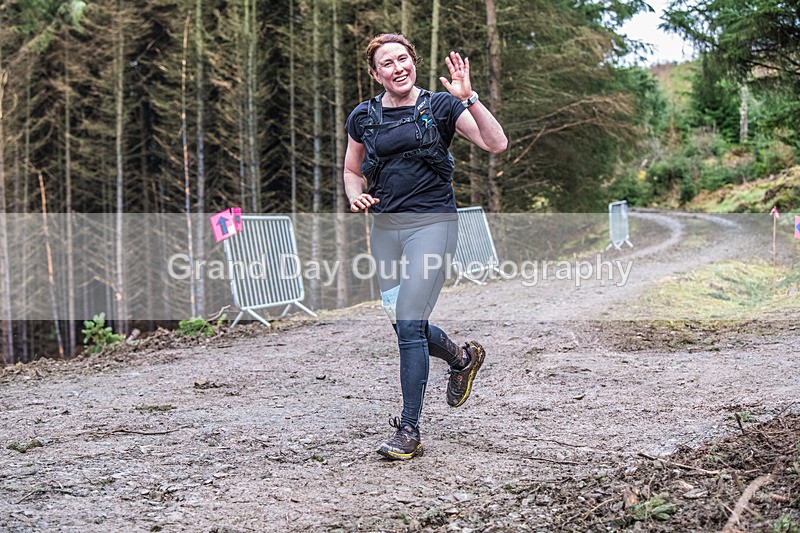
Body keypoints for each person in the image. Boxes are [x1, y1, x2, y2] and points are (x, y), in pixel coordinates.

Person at [343, 33, 507, 460]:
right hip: (385, 232)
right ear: (375, 73)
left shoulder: (440, 106)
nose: (398, 68)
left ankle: (409, 429)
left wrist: (469, 99)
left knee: (410, 320)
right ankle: (460, 357)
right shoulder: (363, 116)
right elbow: (350, 167)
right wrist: (353, 192)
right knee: (404, 327)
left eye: (403, 59)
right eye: (387, 63)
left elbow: (496, 143)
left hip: (432, 225)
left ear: (413, 62)